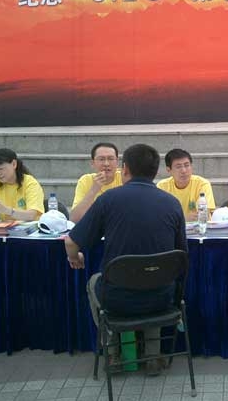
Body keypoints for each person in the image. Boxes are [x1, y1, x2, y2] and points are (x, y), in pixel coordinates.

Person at [65, 143, 187, 376]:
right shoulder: (172, 203)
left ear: (125, 169)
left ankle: (113, 353)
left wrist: (75, 257)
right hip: (163, 299)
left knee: (93, 281)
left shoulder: (108, 200)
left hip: (117, 300)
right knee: (155, 276)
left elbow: (71, 242)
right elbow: (181, 255)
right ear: (156, 171)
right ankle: (152, 356)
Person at [157, 148, 216, 221]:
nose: (184, 171)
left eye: (187, 165)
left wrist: (176, 219)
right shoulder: (162, 186)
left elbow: (203, 214)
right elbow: (160, 216)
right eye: (178, 167)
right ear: (169, 170)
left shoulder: (202, 184)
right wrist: (184, 219)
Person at [70, 142, 122, 223]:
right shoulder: (85, 180)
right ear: (93, 163)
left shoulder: (124, 178)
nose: (106, 164)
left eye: (111, 159)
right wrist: (94, 189)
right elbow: (74, 219)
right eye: (101, 159)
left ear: (117, 162)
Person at [0, 148, 44, 221]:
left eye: (1, 169)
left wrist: (6, 210)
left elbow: (32, 215)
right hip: (4, 227)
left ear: (14, 164)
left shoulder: (30, 183)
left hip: (29, 227)